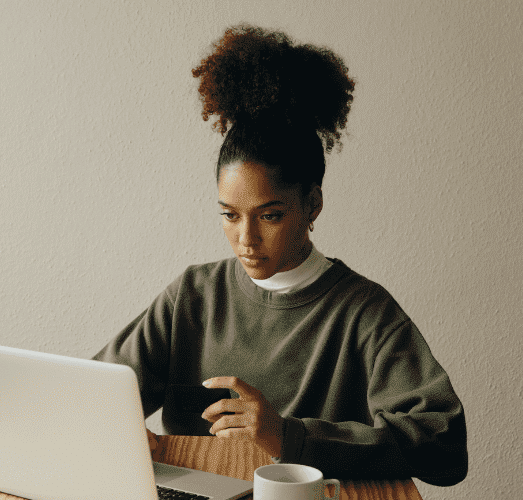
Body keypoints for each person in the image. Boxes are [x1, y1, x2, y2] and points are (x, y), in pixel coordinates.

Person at [93, 25, 467, 486]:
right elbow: (94, 393)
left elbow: (444, 445)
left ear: (312, 204)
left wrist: (289, 436)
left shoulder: (364, 313)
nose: (246, 238)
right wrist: (115, 427)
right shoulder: (193, 295)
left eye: (269, 216)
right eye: (229, 215)